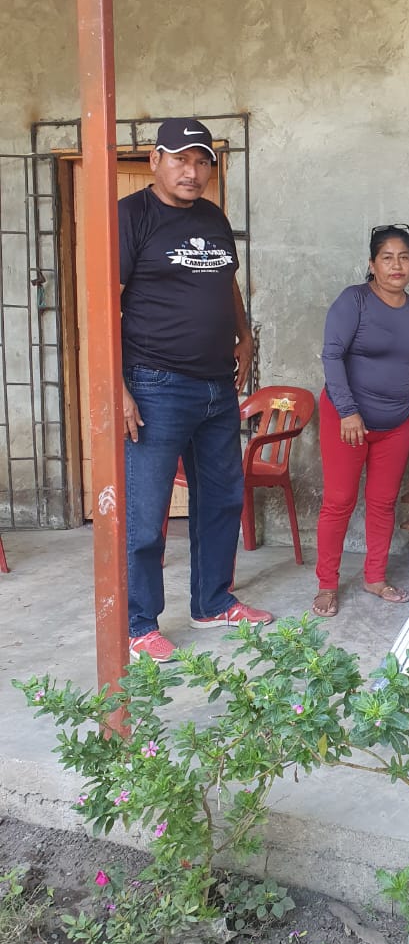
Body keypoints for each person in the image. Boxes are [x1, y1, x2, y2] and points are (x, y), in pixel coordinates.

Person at [120, 118, 274, 664]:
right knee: (146, 514)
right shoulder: (131, 216)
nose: (192, 171)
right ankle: (139, 624)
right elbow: (105, 301)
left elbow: (226, 279)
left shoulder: (213, 216)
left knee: (221, 499)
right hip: (154, 384)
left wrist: (244, 336)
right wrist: (117, 387)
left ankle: (212, 603)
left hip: (215, 385)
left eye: (202, 161)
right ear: (155, 160)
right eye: (181, 159)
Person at [314, 224, 409, 619]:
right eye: (387, 258)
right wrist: (347, 410)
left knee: (383, 501)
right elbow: (331, 355)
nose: (396, 265)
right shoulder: (354, 301)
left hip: (397, 422)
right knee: (339, 501)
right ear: (372, 264)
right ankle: (327, 584)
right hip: (347, 421)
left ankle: (374, 577)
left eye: (404, 257)